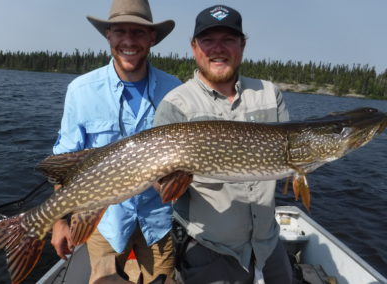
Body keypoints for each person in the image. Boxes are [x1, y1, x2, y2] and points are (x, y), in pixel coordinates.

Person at [154, 5, 293, 284]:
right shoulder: (176, 104)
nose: (218, 48)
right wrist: (169, 180)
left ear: (242, 44)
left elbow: (289, 157)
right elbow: (161, 183)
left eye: (228, 39)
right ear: (194, 47)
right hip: (210, 250)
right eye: (208, 40)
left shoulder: (269, 93)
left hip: (267, 246)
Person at [51, 0, 181, 283]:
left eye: (138, 33)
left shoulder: (176, 91)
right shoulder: (81, 91)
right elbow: (65, 161)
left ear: (152, 38)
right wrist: (59, 220)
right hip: (104, 223)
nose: (128, 41)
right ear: (108, 35)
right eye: (120, 31)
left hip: (157, 222)